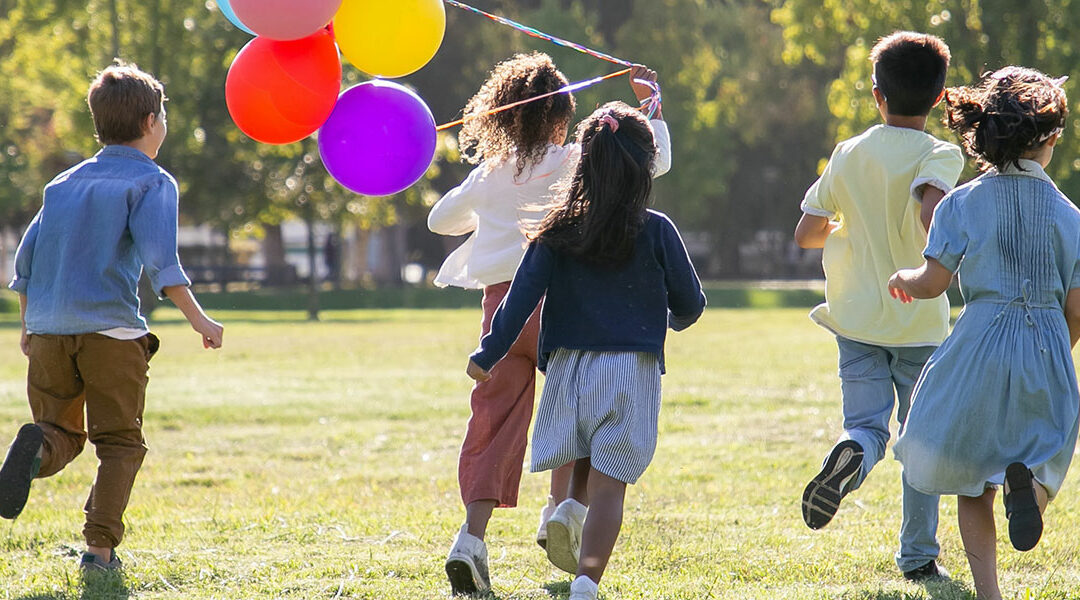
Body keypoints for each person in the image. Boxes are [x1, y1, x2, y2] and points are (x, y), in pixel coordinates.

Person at [428, 52, 671, 595]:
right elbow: (653, 163)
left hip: (501, 313)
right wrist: (651, 106)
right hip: (562, 306)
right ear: (562, 113)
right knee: (581, 414)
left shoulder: (490, 174)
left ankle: (471, 538)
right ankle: (561, 511)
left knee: (492, 423)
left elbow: (438, 220)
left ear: (500, 116)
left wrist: (488, 194)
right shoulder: (572, 162)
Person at [466, 101, 704, 600]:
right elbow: (690, 303)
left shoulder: (556, 229)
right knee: (610, 488)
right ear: (645, 167)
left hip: (570, 369)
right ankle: (585, 584)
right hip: (631, 370)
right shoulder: (657, 228)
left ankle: (567, 508)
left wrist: (488, 354)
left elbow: (519, 299)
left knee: (578, 449)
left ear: (584, 163)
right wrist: (674, 318)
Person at [0, 62, 223, 572]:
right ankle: (98, 552)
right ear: (150, 123)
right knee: (119, 443)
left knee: (59, 433)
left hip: (50, 331)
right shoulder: (151, 182)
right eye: (163, 114)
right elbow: (162, 264)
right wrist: (201, 321)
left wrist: (28, 327)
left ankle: (36, 450)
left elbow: (25, 263)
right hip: (111, 334)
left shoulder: (62, 184)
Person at [889, 66, 1079, 600]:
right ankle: (1032, 496)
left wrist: (903, 278)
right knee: (1048, 450)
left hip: (977, 344)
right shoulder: (1072, 218)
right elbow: (1079, 308)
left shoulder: (961, 202)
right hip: (1045, 345)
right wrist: (1053, 354)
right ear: (1049, 138)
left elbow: (932, 283)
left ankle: (989, 594)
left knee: (973, 480)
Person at [793, 31, 964, 580]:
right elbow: (930, 212)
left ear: (876, 94)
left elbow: (806, 233)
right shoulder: (941, 152)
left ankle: (851, 454)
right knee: (921, 441)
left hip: (856, 319)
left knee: (866, 426)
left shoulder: (848, 152)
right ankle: (918, 557)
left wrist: (852, 229)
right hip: (917, 320)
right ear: (939, 98)